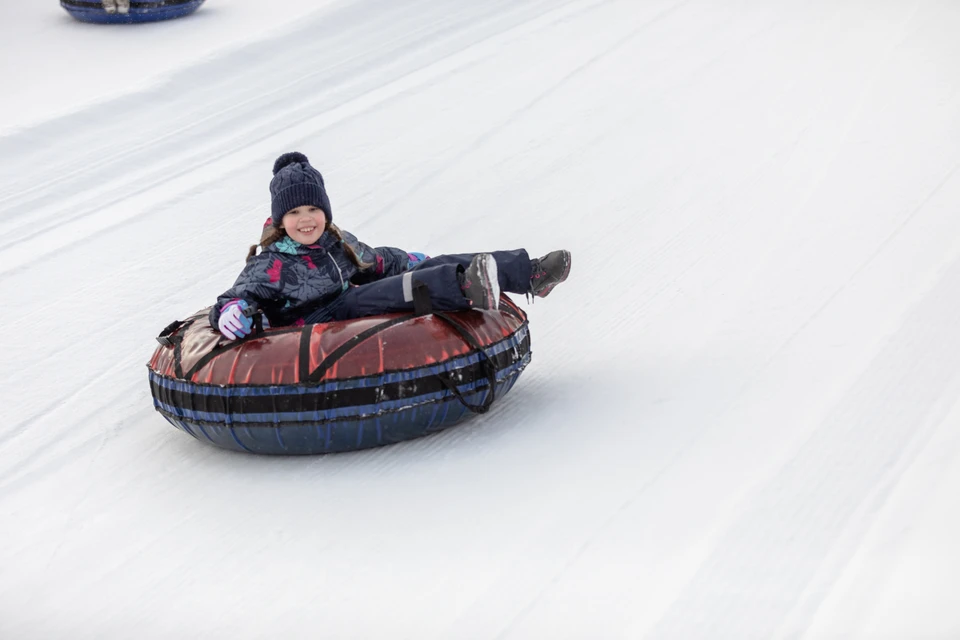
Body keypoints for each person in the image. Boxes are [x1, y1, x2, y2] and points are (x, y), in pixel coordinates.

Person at [212, 152, 571, 341]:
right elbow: (236, 296)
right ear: (280, 220)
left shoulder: (335, 241)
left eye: (313, 209)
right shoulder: (272, 263)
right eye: (294, 212)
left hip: (349, 302)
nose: (306, 220)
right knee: (366, 295)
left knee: (427, 266)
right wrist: (232, 311)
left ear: (325, 212)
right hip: (315, 325)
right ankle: (465, 286)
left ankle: (529, 273)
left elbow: (375, 260)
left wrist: (411, 260)